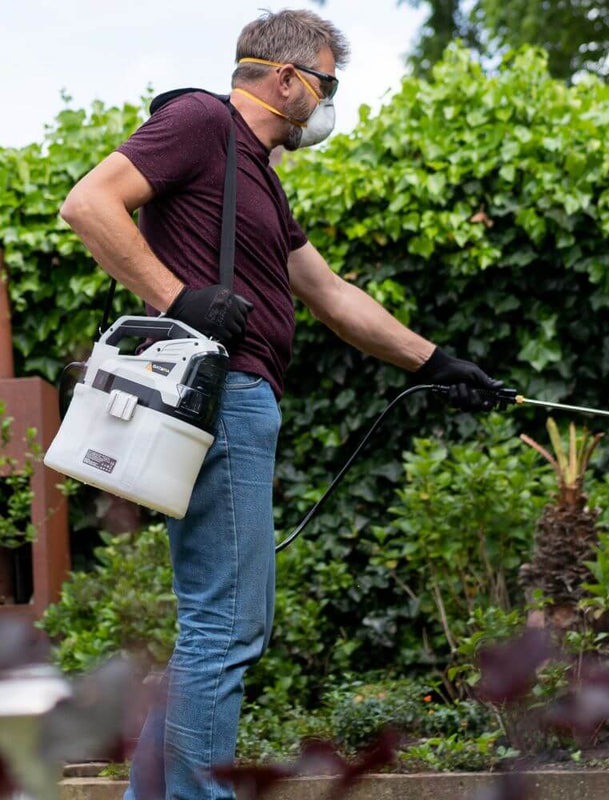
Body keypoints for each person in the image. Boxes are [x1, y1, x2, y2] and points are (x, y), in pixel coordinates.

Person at [59, 9, 502, 800]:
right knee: (223, 625)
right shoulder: (200, 120)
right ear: (288, 79)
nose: (330, 103)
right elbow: (89, 203)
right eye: (328, 85)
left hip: (244, 402)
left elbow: (333, 296)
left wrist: (438, 362)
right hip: (219, 395)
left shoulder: (257, 178)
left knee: (225, 622)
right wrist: (178, 297)